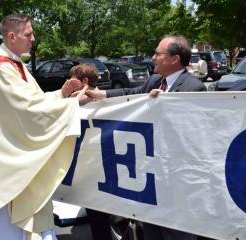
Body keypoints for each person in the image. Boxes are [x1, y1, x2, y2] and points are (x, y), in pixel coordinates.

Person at [0, 13, 89, 240]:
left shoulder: (13, 64)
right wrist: (72, 104)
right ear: (12, 36)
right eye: (28, 34)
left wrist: (62, 93)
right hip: (4, 165)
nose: (33, 39)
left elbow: (33, 101)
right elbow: (28, 110)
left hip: (10, 156)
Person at [86, 35, 207, 240]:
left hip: (177, 184)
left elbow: (195, 136)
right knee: (151, 231)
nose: (153, 57)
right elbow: (131, 93)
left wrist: (163, 106)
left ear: (174, 59)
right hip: (151, 178)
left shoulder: (193, 88)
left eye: (158, 53)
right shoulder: (154, 81)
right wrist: (100, 95)